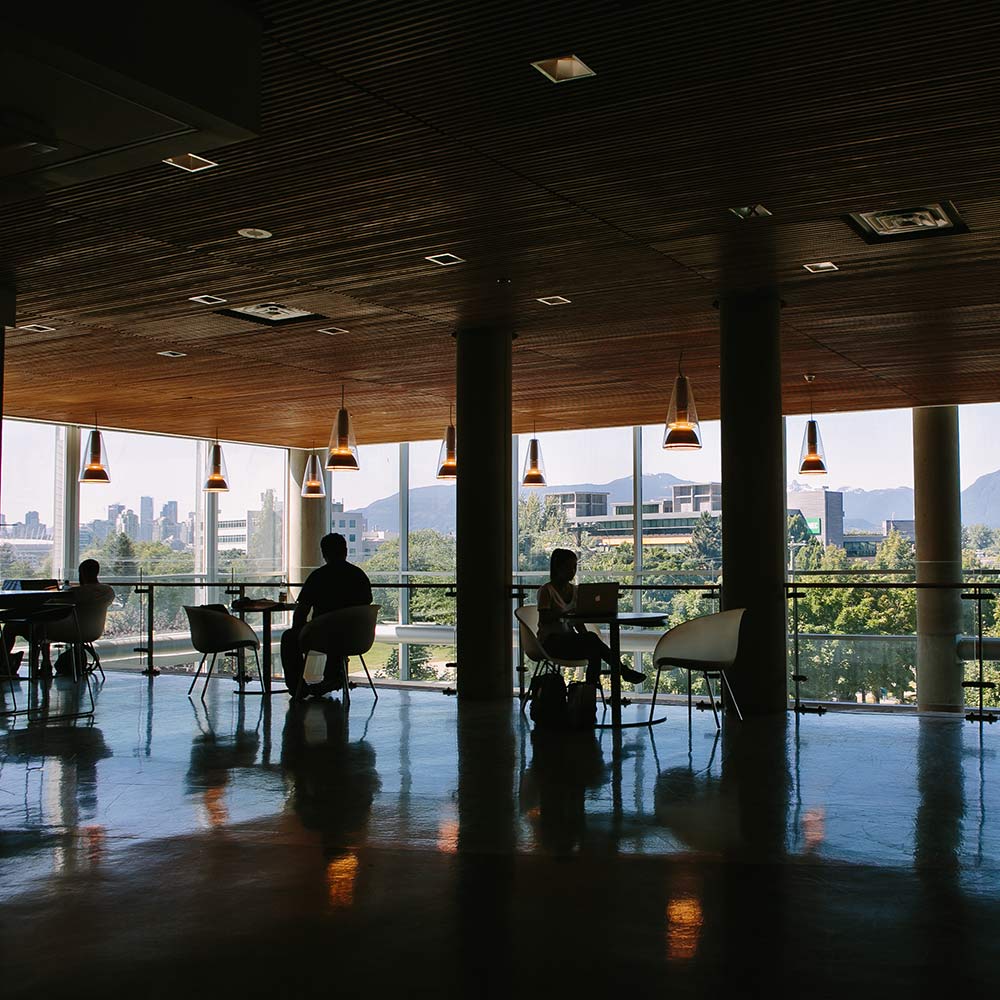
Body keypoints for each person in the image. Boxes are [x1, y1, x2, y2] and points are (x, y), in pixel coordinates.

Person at [536, 548, 645, 688]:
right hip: (550, 642)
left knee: (593, 647)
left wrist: (584, 635)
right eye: (569, 566)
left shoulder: (575, 591)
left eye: (575, 566)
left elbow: (577, 622)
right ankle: (612, 676)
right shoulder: (546, 590)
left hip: (567, 640)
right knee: (592, 642)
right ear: (558, 567)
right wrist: (569, 615)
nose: (573, 570)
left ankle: (590, 689)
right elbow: (544, 618)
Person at [282, 532, 373, 697]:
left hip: (323, 635)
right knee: (337, 633)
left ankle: (297, 687)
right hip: (355, 637)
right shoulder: (359, 576)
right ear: (345, 551)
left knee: (289, 638)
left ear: (324, 554)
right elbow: (366, 604)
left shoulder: (318, 577)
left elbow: (302, 610)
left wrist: (300, 632)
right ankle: (333, 677)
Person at [2, 559, 115, 676]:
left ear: (82, 573)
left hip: (66, 630)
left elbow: (50, 603)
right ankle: (45, 665)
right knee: (46, 623)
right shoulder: (108, 591)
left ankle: (4, 664)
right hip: (91, 632)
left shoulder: (75, 593)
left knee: (12, 627)